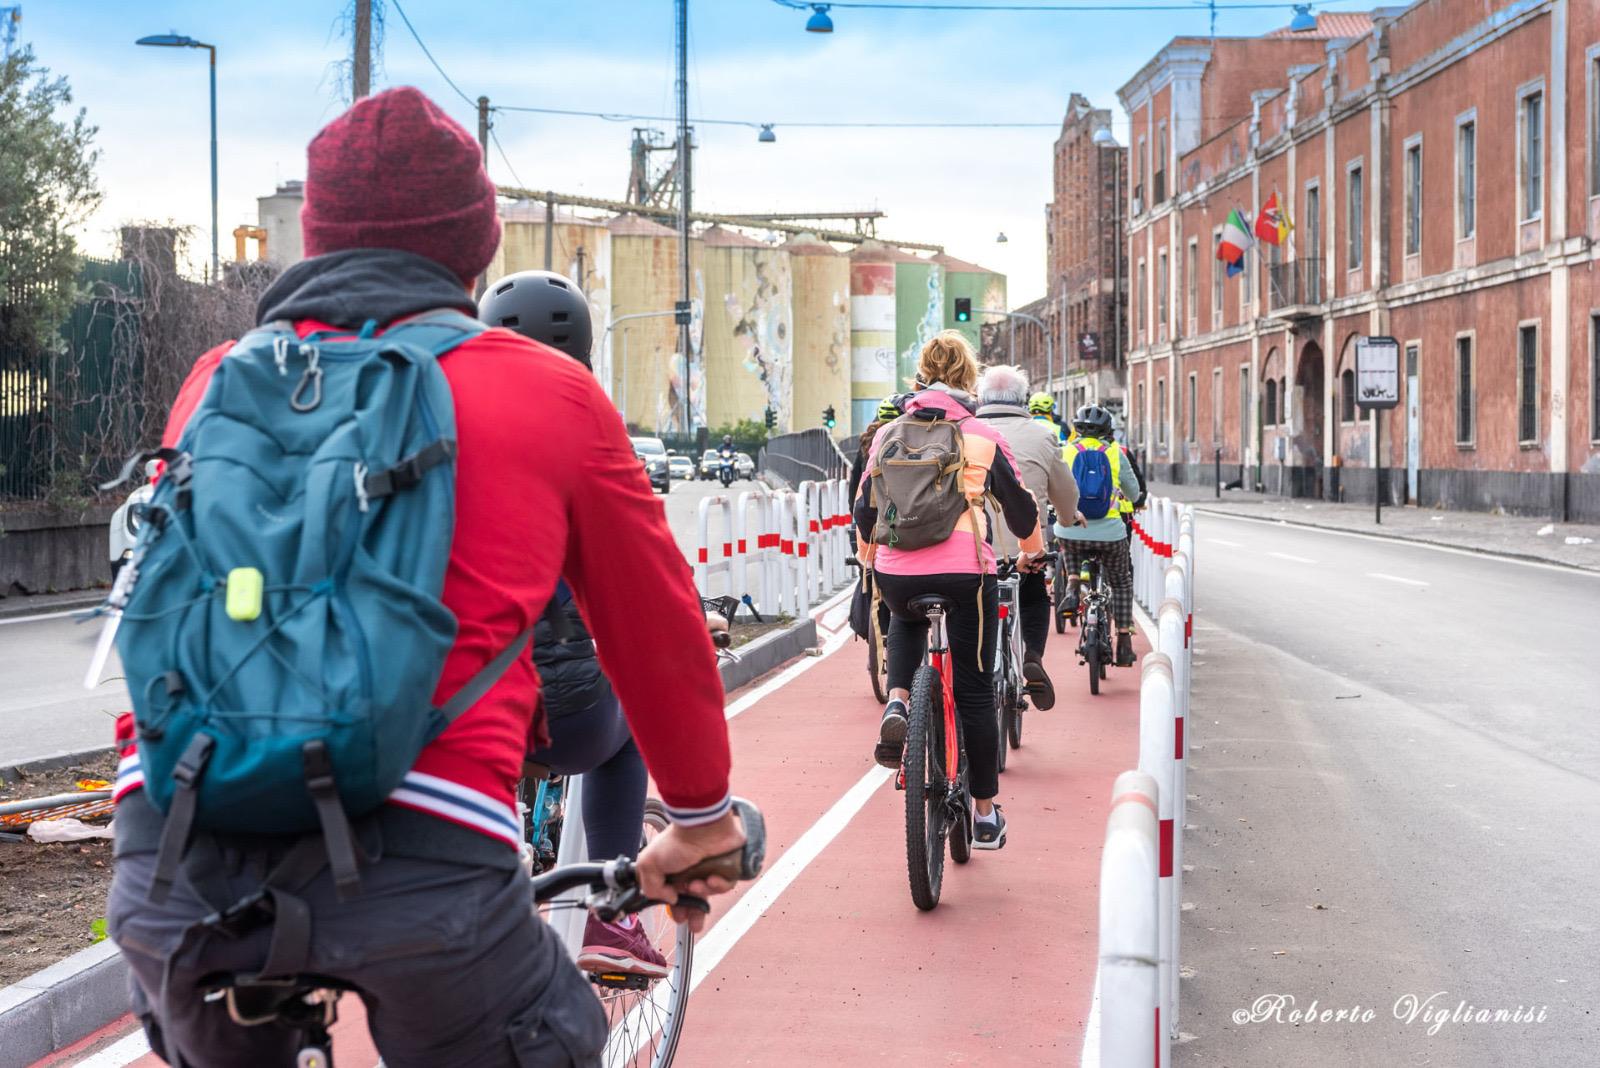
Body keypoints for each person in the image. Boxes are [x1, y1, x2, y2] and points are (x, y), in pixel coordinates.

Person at [105, 88, 745, 1068]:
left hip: (176, 847)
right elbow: (654, 632)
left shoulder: (215, 379)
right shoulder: (548, 391)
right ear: (476, 249)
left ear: (311, 241)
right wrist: (699, 821)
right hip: (426, 866)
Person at [478, 269, 666, 979]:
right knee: (629, 730)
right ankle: (611, 919)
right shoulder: (596, 441)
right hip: (563, 707)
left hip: (448, 699)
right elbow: (646, 582)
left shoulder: (444, 429)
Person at [854, 331, 1045, 850]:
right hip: (965, 574)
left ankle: (897, 703)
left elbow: (865, 508)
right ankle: (984, 815)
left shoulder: (888, 432)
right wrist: (1032, 549)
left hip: (897, 572)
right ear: (968, 379)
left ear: (920, 374)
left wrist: (871, 560)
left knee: (905, 617)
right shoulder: (980, 434)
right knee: (976, 691)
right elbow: (1021, 508)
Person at [976, 366, 1080, 711]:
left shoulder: (964, 432)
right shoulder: (1042, 435)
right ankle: (1032, 655)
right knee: (1034, 596)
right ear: (1023, 399)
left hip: (973, 548)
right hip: (1026, 543)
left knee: (973, 608)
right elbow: (1065, 492)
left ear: (981, 397)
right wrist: (1067, 519)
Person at [1057, 404, 1144, 668]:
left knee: (1067, 543)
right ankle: (1124, 640)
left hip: (1073, 529)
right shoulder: (1116, 453)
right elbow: (1134, 493)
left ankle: (1073, 584)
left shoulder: (1066, 451)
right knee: (1120, 582)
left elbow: (1055, 487)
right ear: (1108, 430)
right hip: (1110, 533)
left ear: (1076, 429)